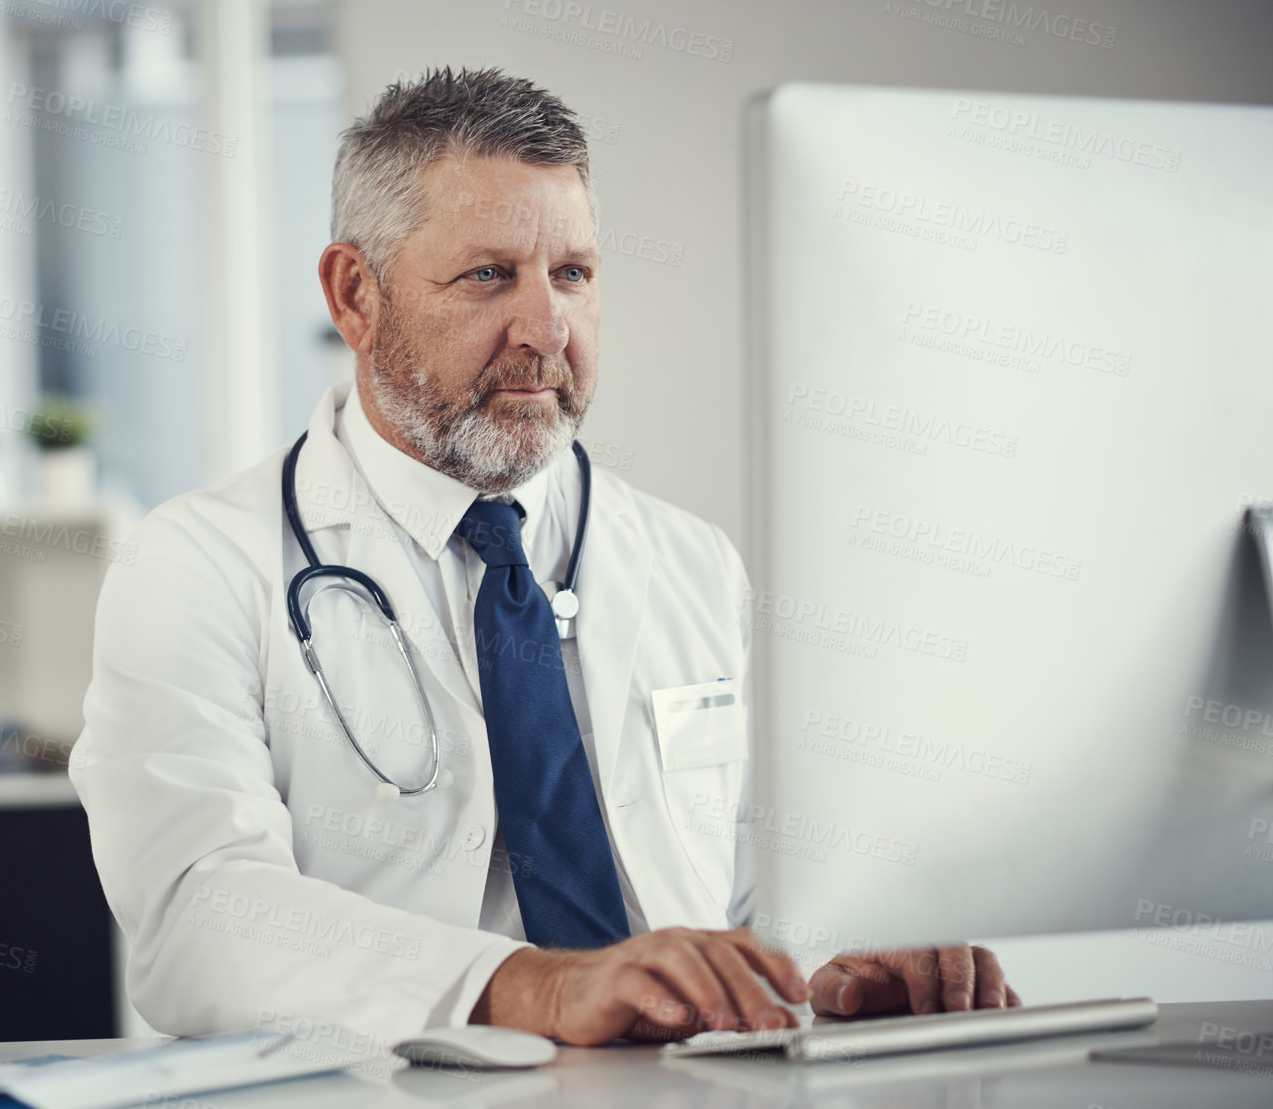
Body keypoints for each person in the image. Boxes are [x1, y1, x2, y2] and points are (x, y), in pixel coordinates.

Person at [69, 67, 1018, 1046]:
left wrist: (851, 961)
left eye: (572, 273)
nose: (545, 331)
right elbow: (201, 921)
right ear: (356, 296)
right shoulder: (195, 569)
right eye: (487, 277)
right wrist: (538, 989)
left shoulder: (691, 564)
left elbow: (755, 890)